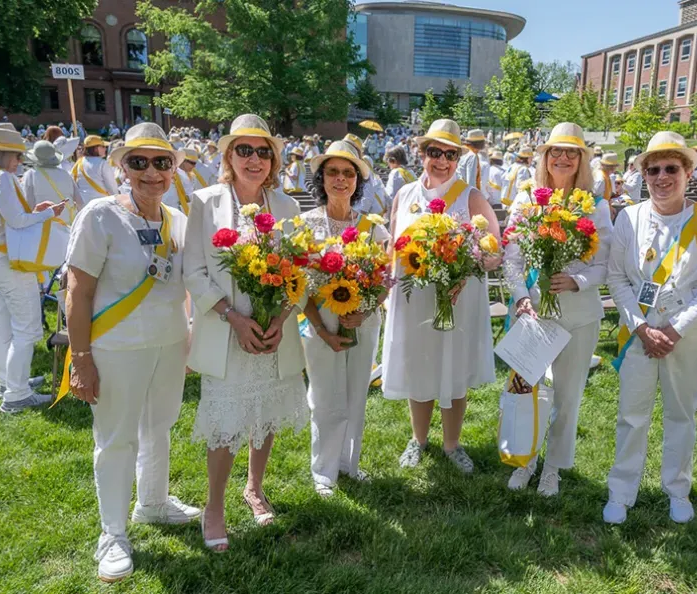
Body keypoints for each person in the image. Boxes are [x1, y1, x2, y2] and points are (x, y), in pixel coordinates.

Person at [63, 123, 200, 582]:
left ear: (173, 168)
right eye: (138, 162)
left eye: (162, 162)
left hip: (169, 342)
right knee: (116, 439)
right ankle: (113, 533)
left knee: (160, 426)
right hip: (115, 346)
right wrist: (80, 358)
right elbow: (77, 292)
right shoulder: (100, 215)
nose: (152, 172)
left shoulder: (178, 219)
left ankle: (153, 502)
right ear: (122, 167)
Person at [184, 114, 307, 552]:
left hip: (273, 335)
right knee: (226, 420)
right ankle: (213, 506)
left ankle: (254, 487)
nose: (253, 159)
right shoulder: (204, 201)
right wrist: (232, 316)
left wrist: (281, 318)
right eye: (244, 150)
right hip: (227, 331)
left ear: (273, 160)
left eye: (262, 151)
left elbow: (300, 273)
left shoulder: (289, 207)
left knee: (265, 412)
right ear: (228, 155)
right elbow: (194, 271)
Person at [602, 131, 697, 524]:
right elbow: (616, 279)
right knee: (631, 416)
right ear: (643, 174)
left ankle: (678, 489)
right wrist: (641, 327)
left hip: (687, 336)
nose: (662, 177)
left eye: (671, 168)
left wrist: (675, 329)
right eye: (653, 169)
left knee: (681, 415)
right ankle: (621, 491)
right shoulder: (629, 216)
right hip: (639, 333)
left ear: (688, 171)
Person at [382, 119, 502, 473]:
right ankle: (418, 440)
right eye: (434, 152)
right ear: (421, 153)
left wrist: (465, 269)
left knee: (454, 366)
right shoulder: (404, 195)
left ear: (458, 158)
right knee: (420, 365)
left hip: (457, 298)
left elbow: (494, 253)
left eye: (450, 154)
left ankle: (452, 444)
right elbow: (393, 246)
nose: (442, 161)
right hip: (413, 298)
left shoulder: (471, 197)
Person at [504, 123, 613, 496]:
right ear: (545, 158)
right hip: (534, 310)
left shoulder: (597, 206)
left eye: (571, 152)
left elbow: (605, 265)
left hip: (580, 314)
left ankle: (553, 467)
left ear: (582, 159)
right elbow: (512, 258)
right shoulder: (527, 200)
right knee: (525, 390)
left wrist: (577, 281)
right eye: (555, 151)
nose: (562, 157)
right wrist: (521, 296)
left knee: (567, 396)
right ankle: (525, 459)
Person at [301, 141, 390, 497]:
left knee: (355, 393)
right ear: (321, 179)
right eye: (333, 172)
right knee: (324, 395)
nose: (341, 179)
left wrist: (366, 310)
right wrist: (321, 327)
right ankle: (323, 470)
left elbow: (386, 282)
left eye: (348, 173)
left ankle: (348, 464)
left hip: (362, 324)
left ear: (358, 182)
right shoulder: (305, 226)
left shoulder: (372, 228)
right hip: (319, 325)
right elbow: (298, 287)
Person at [0, 125, 66, 412]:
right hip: (10, 261)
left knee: (1, 325)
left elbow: (6, 219)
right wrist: (50, 213)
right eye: (15, 155)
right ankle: (16, 393)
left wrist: (36, 213)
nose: (19, 161)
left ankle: (9, 383)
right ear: (2, 156)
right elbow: (17, 221)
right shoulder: (3, 178)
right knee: (25, 329)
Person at [22, 140, 79, 223]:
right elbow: (79, 201)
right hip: (67, 225)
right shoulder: (65, 173)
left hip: (44, 225)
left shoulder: (31, 174)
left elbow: (28, 204)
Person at [72, 135, 117, 205]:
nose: (105, 149)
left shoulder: (79, 162)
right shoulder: (102, 163)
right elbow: (112, 186)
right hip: (101, 203)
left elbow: (74, 182)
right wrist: (117, 199)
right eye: (103, 146)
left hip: (82, 203)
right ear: (95, 148)